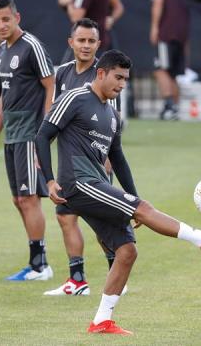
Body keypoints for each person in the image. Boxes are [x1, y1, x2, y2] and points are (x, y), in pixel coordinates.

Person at [35, 49, 201, 335]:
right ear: (101, 73)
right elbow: (43, 135)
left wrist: (133, 198)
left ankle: (101, 320)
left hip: (97, 183)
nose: (122, 84)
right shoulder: (74, 98)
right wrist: (49, 181)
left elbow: (118, 158)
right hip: (78, 182)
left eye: (125, 79)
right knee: (143, 210)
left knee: (127, 251)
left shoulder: (112, 114)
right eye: (117, 77)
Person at [44, 18, 122, 296]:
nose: (86, 45)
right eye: (81, 40)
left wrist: (106, 165)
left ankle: (117, 274)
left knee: (102, 224)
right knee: (65, 216)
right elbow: (54, 116)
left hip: (96, 164)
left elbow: (112, 123)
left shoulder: (104, 75)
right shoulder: (63, 73)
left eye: (91, 41)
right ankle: (77, 280)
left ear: (98, 44)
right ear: (71, 42)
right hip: (69, 164)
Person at [0, 0, 55, 281]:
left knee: (29, 199)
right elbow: (5, 95)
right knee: (18, 199)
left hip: (29, 134)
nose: (1, 25)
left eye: (6, 19)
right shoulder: (1, 50)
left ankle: (40, 266)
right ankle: (37, 262)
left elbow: (50, 86)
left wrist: (44, 134)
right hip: (12, 135)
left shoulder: (32, 47)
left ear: (17, 18)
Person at [149, 0, 190, 120]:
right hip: (180, 41)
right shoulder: (183, 3)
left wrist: (154, 28)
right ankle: (175, 108)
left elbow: (158, 1)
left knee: (160, 70)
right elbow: (187, 29)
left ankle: (169, 106)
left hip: (166, 37)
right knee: (173, 75)